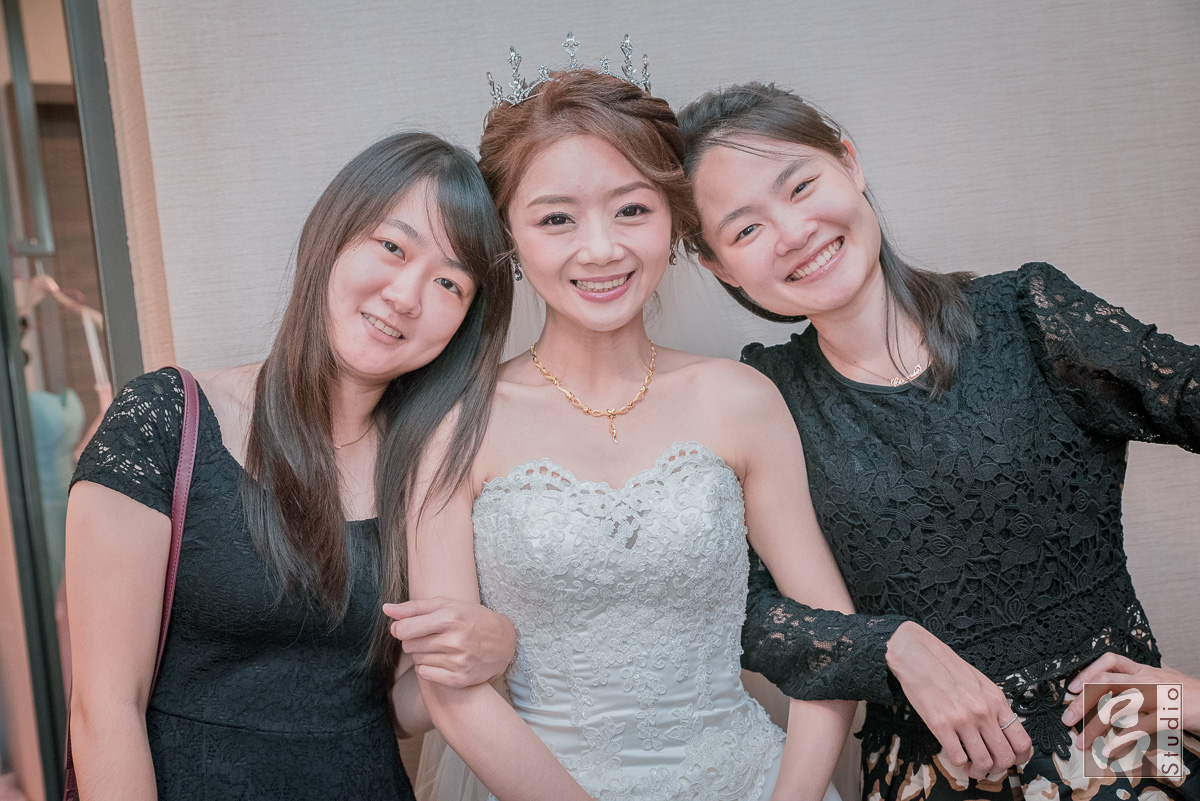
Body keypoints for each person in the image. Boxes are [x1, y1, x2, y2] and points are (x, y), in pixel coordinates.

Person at [676, 82, 1200, 800]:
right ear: (718, 266)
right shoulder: (763, 396)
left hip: (1134, 755)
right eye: (745, 230)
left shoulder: (1027, 315)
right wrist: (889, 646)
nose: (793, 233)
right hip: (931, 777)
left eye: (800, 186)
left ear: (849, 162)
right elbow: (737, 607)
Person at [394, 55, 856, 801]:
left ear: (673, 219)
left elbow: (831, 638)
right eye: (556, 218)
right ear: (510, 237)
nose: (601, 248)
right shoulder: (456, 424)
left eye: (631, 209)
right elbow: (452, 686)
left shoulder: (741, 400)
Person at [64, 131, 517, 800]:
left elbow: (386, 709)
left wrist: (493, 649)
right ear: (332, 236)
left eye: (449, 282)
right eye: (393, 247)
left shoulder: (427, 469)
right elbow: (105, 708)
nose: (406, 295)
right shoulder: (163, 419)